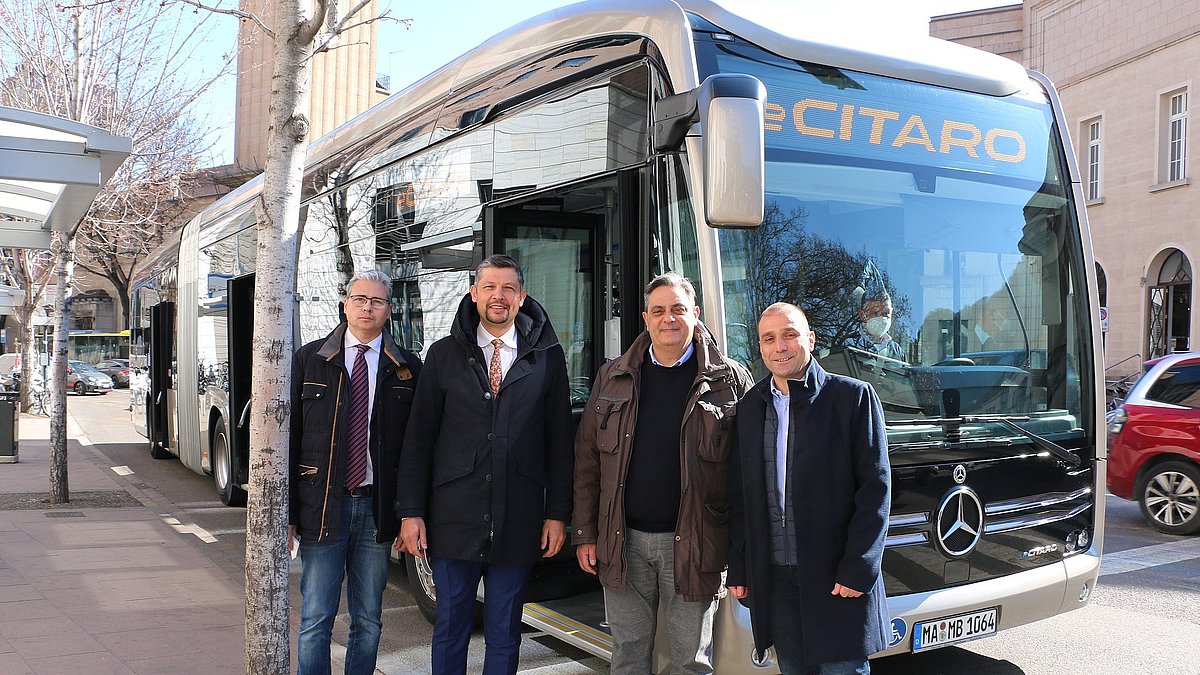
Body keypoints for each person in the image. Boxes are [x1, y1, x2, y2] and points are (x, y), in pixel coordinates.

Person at [396, 254, 573, 675]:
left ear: (522, 296)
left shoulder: (547, 356)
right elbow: (418, 440)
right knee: (452, 626)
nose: (499, 296)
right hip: (453, 518)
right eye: (490, 287)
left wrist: (557, 515)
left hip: (518, 517)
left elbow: (560, 442)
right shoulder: (443, 355)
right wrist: (410, 513)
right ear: (474, 293)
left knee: (504, 630)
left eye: (509, 288)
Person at [573, 272, 752, 674]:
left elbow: (747, 476)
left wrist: (742, 551)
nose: (668, 318)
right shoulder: (612, 376)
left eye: (677, 309)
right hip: (623, 542)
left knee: (691, 662)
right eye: (659, 311)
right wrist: (585, 533)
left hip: (697, 544)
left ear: (695, 314)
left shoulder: (730, 380)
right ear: (645, 318)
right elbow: (587, 464)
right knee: (628, 655)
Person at [727, 303, 891, 675]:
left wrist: (859, 567)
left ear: (810, 340)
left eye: (789, 335)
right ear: (760, 347)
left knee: (842, 670)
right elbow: (740, 496)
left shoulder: (852, 398)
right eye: (769, 339)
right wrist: (739, 567)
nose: (780, 346)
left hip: (837, 575)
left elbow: (875, 490)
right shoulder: (750, 407)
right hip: (776, 575)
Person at [288, 269, 422, 674]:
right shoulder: (310, 359)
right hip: (322, 506)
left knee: (369, 619)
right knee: (315, 619)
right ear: (345, 305)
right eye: (360, 299)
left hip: (375, 511)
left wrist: (408, 514)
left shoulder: (408, 368)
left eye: (377, 301)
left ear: (388, 310)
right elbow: (289, 438)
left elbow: (415, 450)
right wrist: (290, 515)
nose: (367, 307)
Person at [844, 290, 905, 363]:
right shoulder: (848, 344)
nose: (881, 318)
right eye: (875, 313)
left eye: (886, 313)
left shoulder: (897, 351)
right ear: (862, 315)